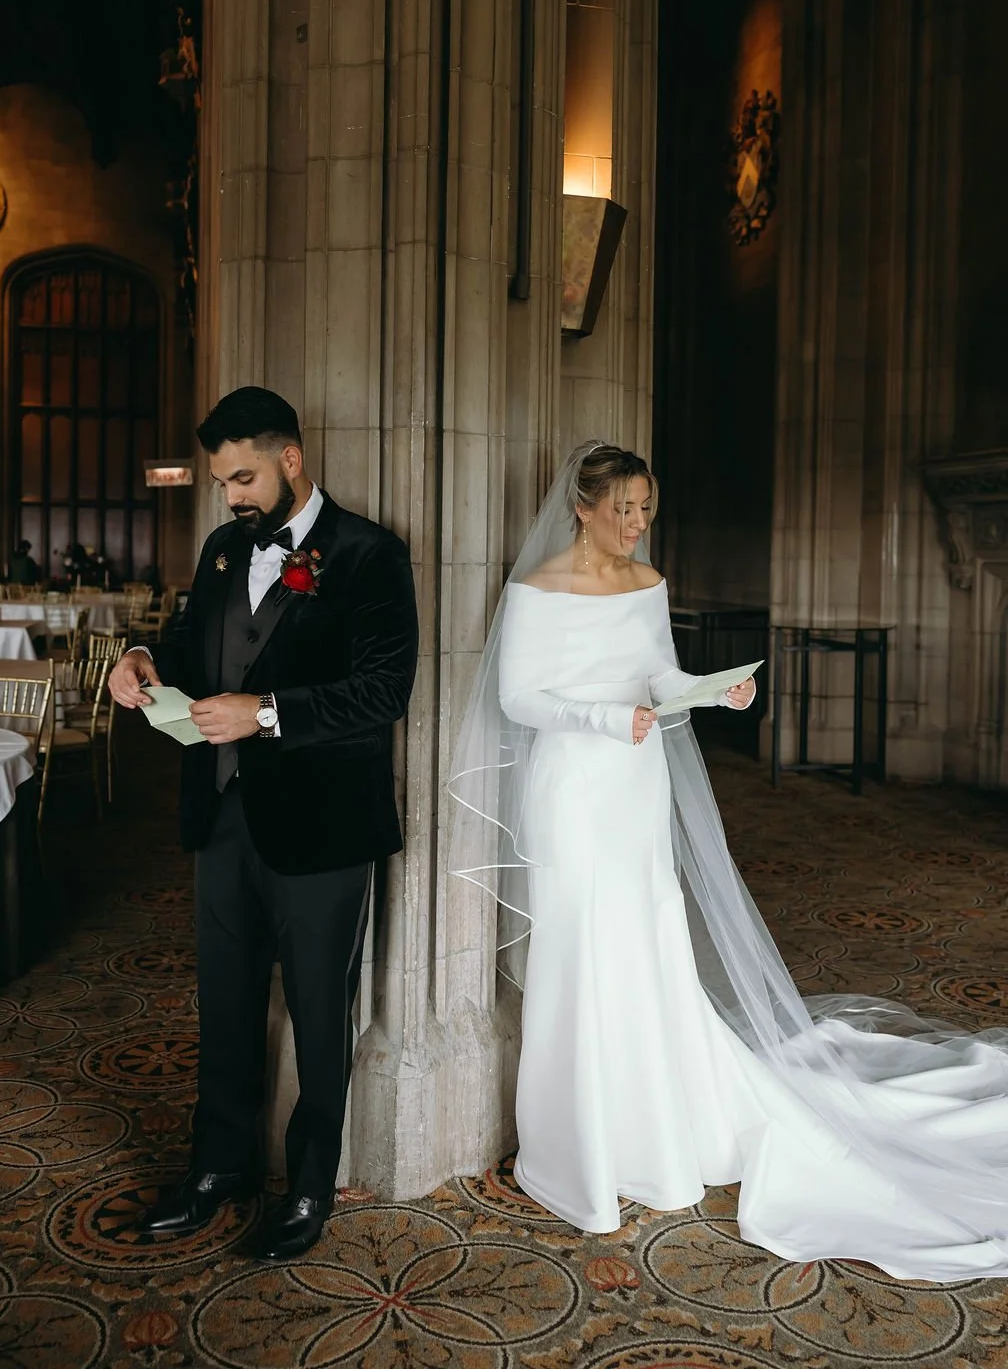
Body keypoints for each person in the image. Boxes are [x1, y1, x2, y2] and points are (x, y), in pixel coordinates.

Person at [449, 440, 1008, 1283]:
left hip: (635, 784)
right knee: (583, 943)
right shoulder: (536, 590)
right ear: (583, 508)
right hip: (574, 787)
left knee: (647, 933)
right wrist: (606, 721)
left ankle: (656, 1118)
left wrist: (712, 688)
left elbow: (657, 673)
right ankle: (582, 1141)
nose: (637, 524)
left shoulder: (648, 583)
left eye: (646, 509)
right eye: (624, 509)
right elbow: (517, 696)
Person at [108, 386, 418, 1261]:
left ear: (290, 459)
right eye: (221, 481)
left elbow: (384, 692)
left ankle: (309, 1186)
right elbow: (189, 646)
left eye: (243, 478)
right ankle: (219, 1167)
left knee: (319, 1015)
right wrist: (143, 659)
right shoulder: (219, 551)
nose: (231, 496)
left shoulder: (370, 554)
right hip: (220, 816)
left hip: (324, 828)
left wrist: (268, 713)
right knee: (225, 1003)